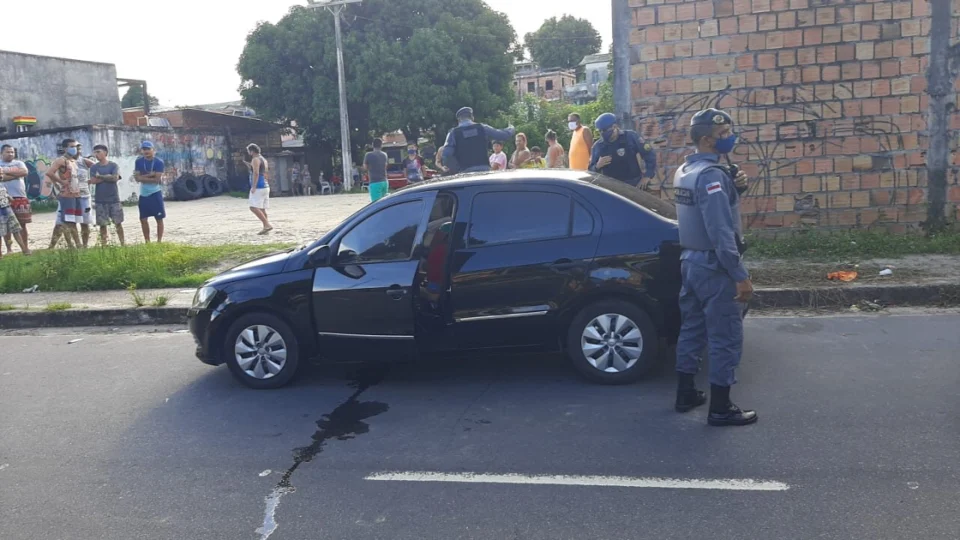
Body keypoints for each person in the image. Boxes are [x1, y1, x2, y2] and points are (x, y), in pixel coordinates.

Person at [672, 108, 756, 427]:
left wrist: (737, 189)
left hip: (690, 262)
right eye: (724, 135)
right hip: (714, 266)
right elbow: (721, 231)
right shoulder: (711, 177)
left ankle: (685, 393)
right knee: (725, 336)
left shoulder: (685, 171)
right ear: (708, 138)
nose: (729, 139)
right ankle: (721, 408)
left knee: (692, 329)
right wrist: (740, 276)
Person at [588, 113, 657, 189]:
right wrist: (597, 166)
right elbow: (590, 171)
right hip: (612, 189)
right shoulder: (598, 146)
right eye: (600, 131)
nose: (602, 133)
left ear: (614, 126)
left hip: (634, 185)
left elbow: (649, 154)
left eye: (604, 130)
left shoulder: (630, 137)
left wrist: (647, 176)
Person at [442, 107, 515, 173]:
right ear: (472, 117)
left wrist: (456, 170)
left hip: (465, 172)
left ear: (459, 120)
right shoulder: (482, 128)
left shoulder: (453, 133)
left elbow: (446, 155)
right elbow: (502, 135)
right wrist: (511, 128)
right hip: (483, 170)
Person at [45, 138, 83, 249]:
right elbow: (49, 172)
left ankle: (76, 244)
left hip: (76, 193)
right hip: (67, 195)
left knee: (73, 221)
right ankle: (74, 245)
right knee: (68, 221)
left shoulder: (73, 161)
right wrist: (61, 182)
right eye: (71, 146)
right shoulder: (61, 160)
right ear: (65, 148)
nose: (74, 149)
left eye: (75, 146)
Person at [89, 144, 125, 246]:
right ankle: (104, 246)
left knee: (118, 223)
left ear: (105, 152)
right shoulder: (94, 167)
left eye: (98, 152)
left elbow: (115, 178)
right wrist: (108, 177)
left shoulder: (113, 165)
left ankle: (123, 243)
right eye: (95, 152)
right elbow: (93, 181)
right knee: (102, 225)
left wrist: (100, 176)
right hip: (100, 200)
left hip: (114, 199)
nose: (96, 154)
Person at [0, 144, 31, 255]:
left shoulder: (19, 163)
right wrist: (15, 175)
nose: (11, 154)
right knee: (6, 226)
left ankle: (25, 247)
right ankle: (9, 249)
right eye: (8, 152)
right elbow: (1, 177)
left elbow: (25, 172)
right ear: (2, 153)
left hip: (20, 197)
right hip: (3, 199)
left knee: (22, 225)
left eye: (12, 152)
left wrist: (5, 173)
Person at [135, 141, 165, 243]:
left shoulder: (158, 162)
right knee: (143, 219)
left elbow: (156, 180)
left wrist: (142, 177)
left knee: (159, 219)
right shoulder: (139, 162)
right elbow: (137, 178)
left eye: (148, 149)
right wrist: (150, 175)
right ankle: (147, 241)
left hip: (155, 193)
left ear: (153, 150)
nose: (146, 151)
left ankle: (159, 241)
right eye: (144, 149)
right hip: (144, 194)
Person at [247, 144, 273, 234]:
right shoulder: (263, 159)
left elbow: (256, 173)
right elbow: (265, 172)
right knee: (262, 209)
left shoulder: (255, 159)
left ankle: (267, 224)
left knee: (253, 207)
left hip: (259, 186)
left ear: (252, 151)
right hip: (265, 185)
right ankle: (266, 228)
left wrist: (254, 186)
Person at [0, 183, 28, 258]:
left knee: (16, 230)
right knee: (2, 233)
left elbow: (7, 195)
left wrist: (10, 199)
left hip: (7, 209)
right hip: (2, 211)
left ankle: (24, 250)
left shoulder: (2, 185)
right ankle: (0, 255)